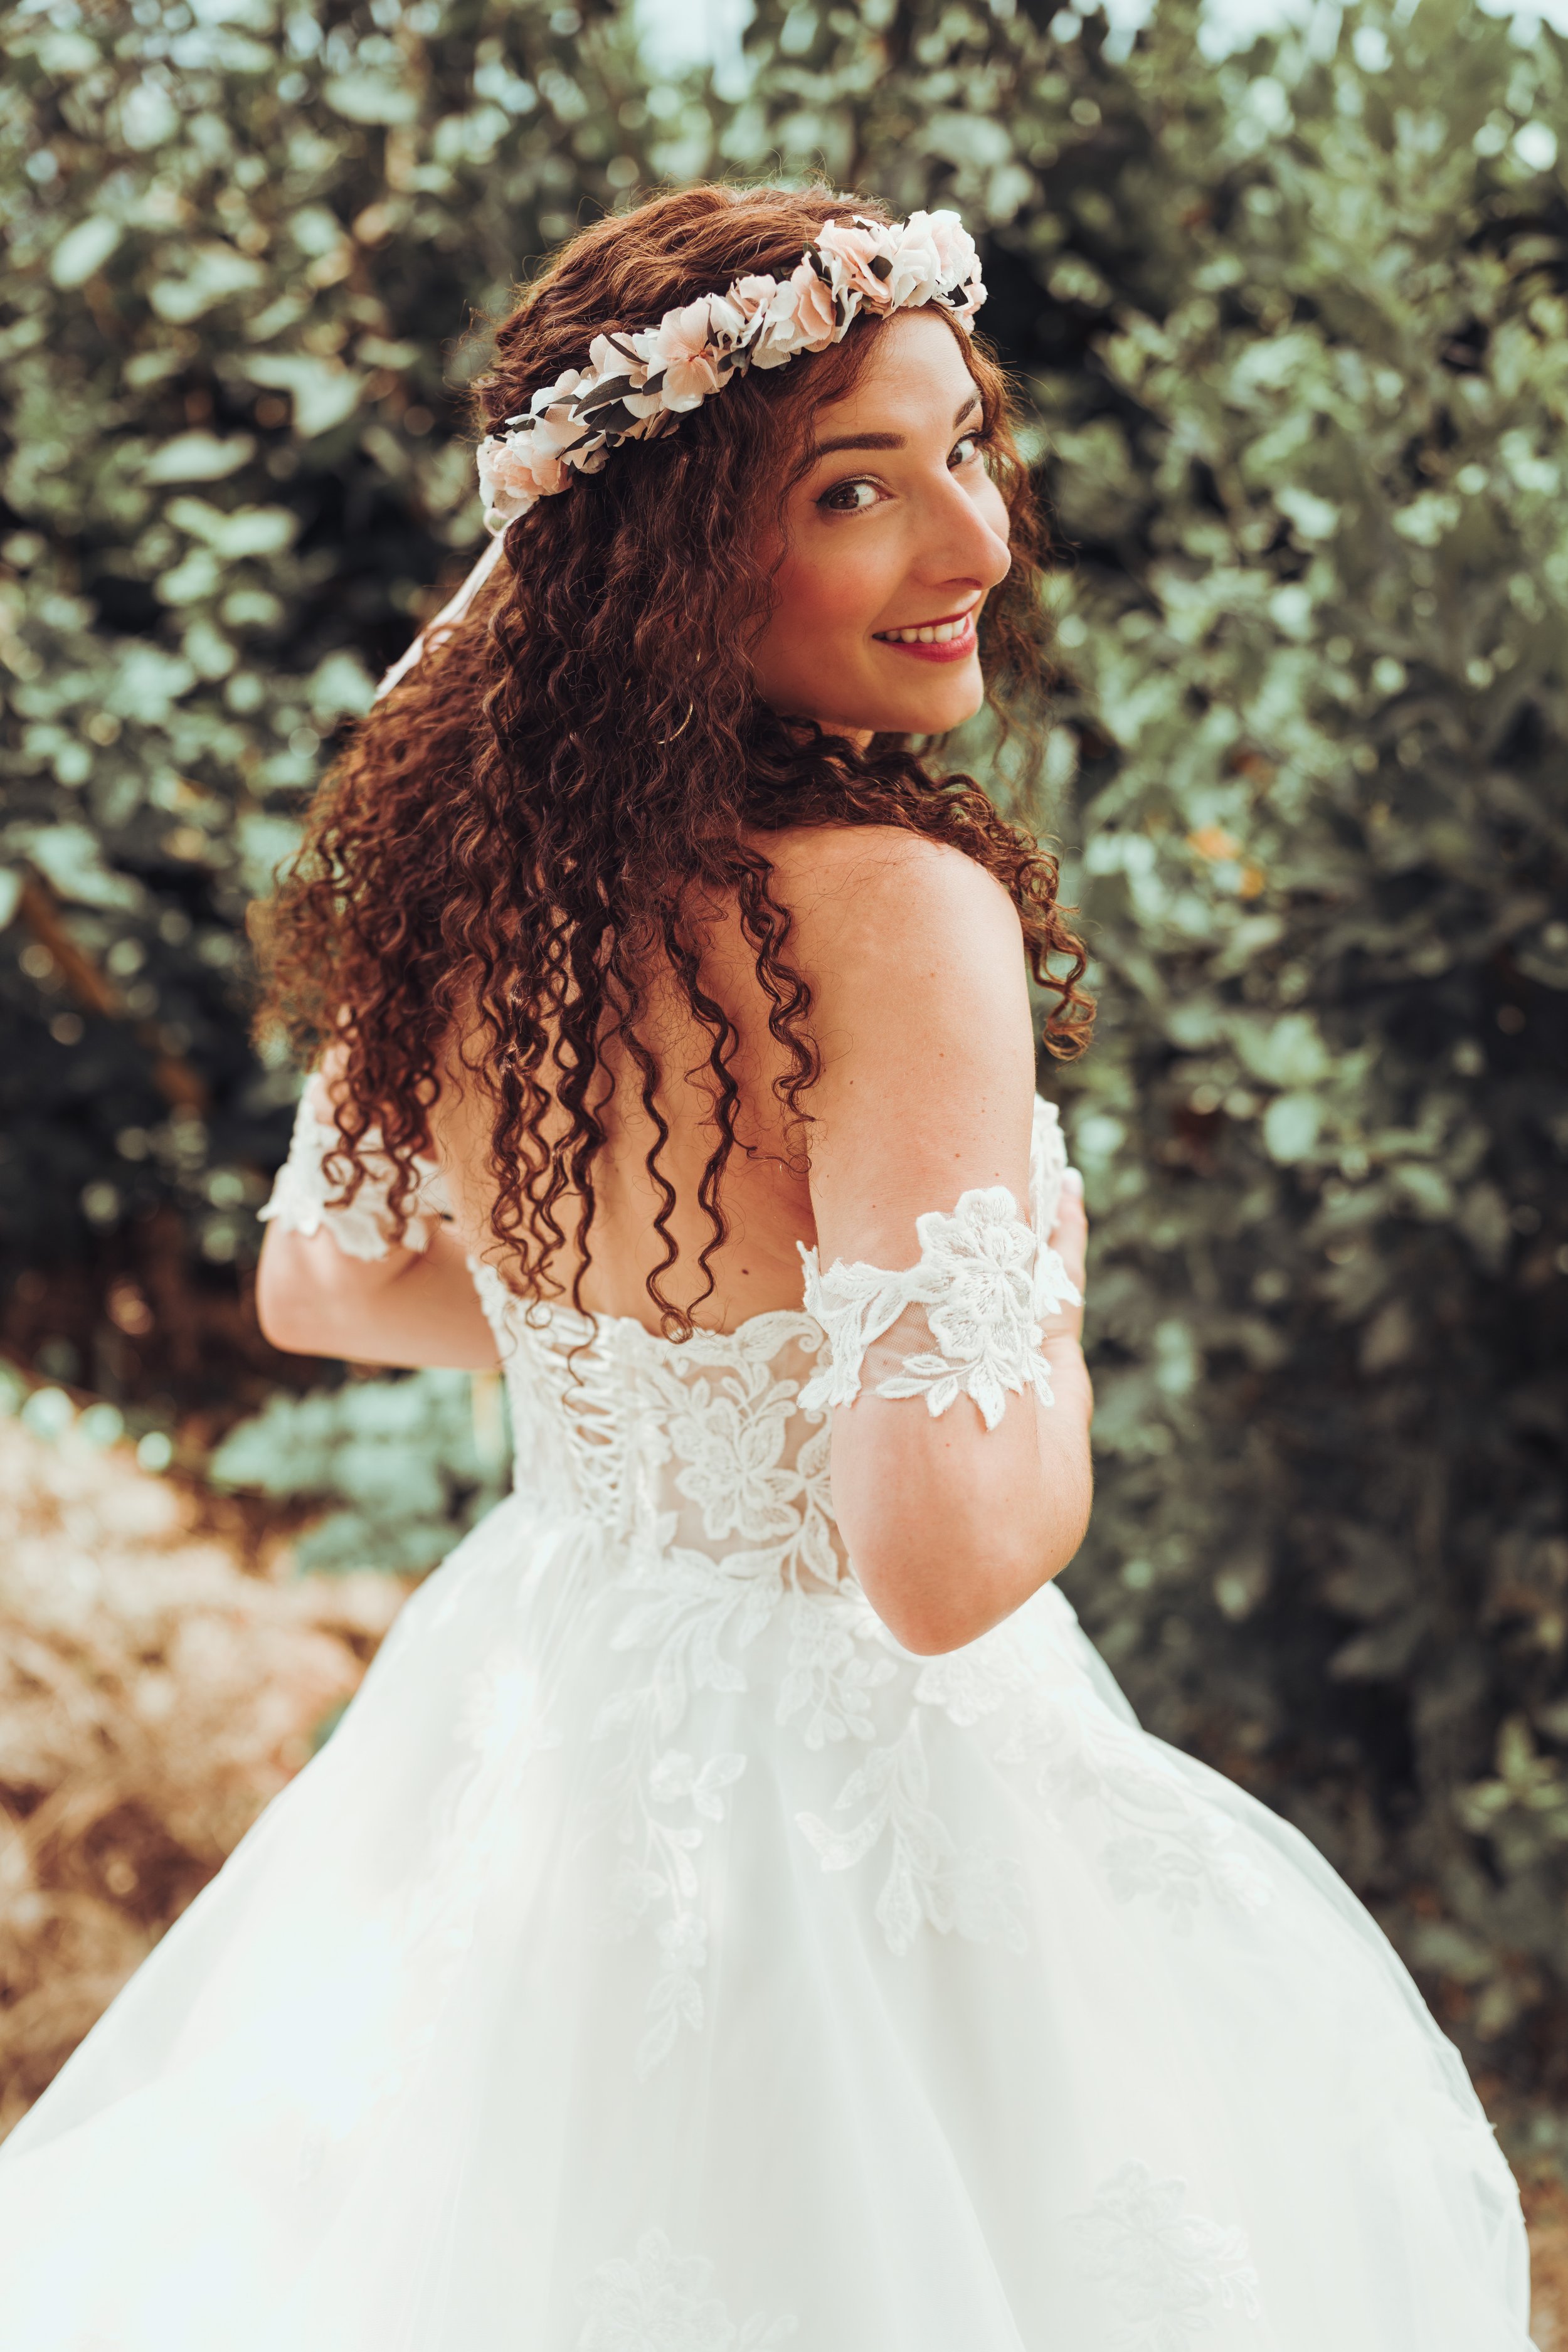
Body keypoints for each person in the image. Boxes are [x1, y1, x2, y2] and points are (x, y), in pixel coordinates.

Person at [0, 184, 1535, 2351]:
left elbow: (325, 1287)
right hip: (846, 1798)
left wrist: (659, 1363)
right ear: (671, 550)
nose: (974, 541)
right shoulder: (895, 911)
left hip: (536, 1714)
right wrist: (1046, 1331)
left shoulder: (477, 883)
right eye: (856, 485)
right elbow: (935, 1562)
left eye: (964, 448)